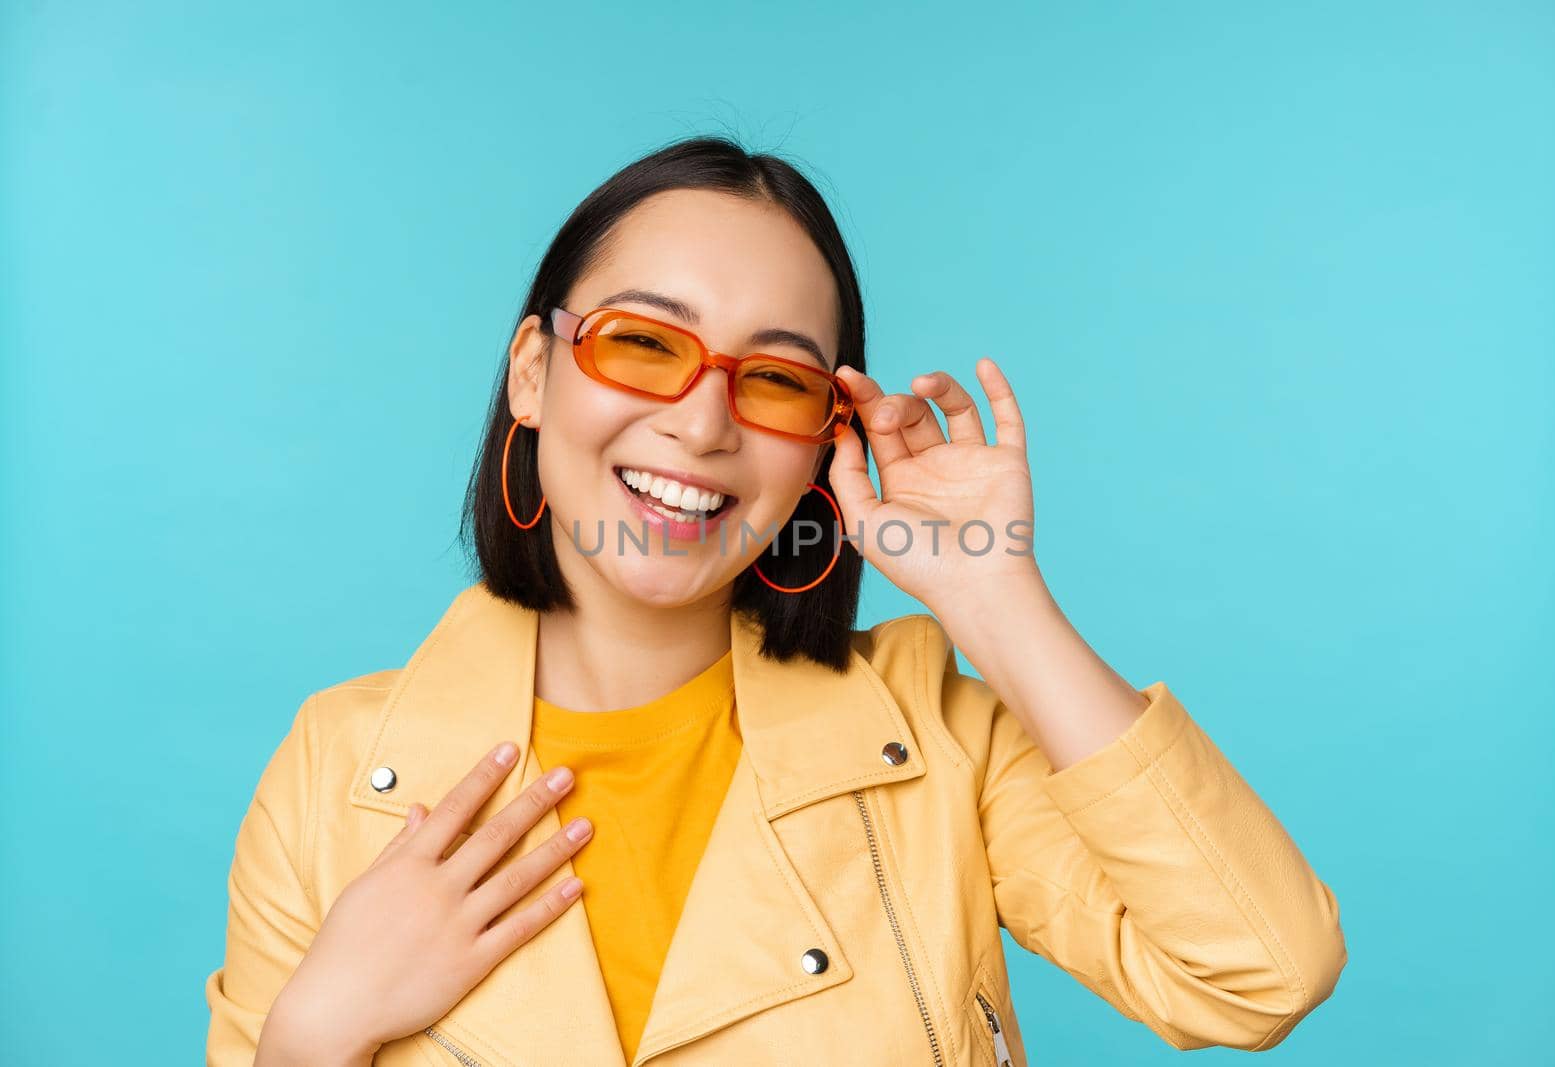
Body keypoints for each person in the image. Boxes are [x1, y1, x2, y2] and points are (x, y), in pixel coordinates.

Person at [203, 136, 1347, 1067]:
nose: (703, 424)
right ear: (533, 374)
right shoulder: (334, 773)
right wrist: (312, 1035)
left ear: (821, 446)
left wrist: (993, 598)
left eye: (778, 377)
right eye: (644, 342)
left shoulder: (936, 739)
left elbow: (1256, 971)